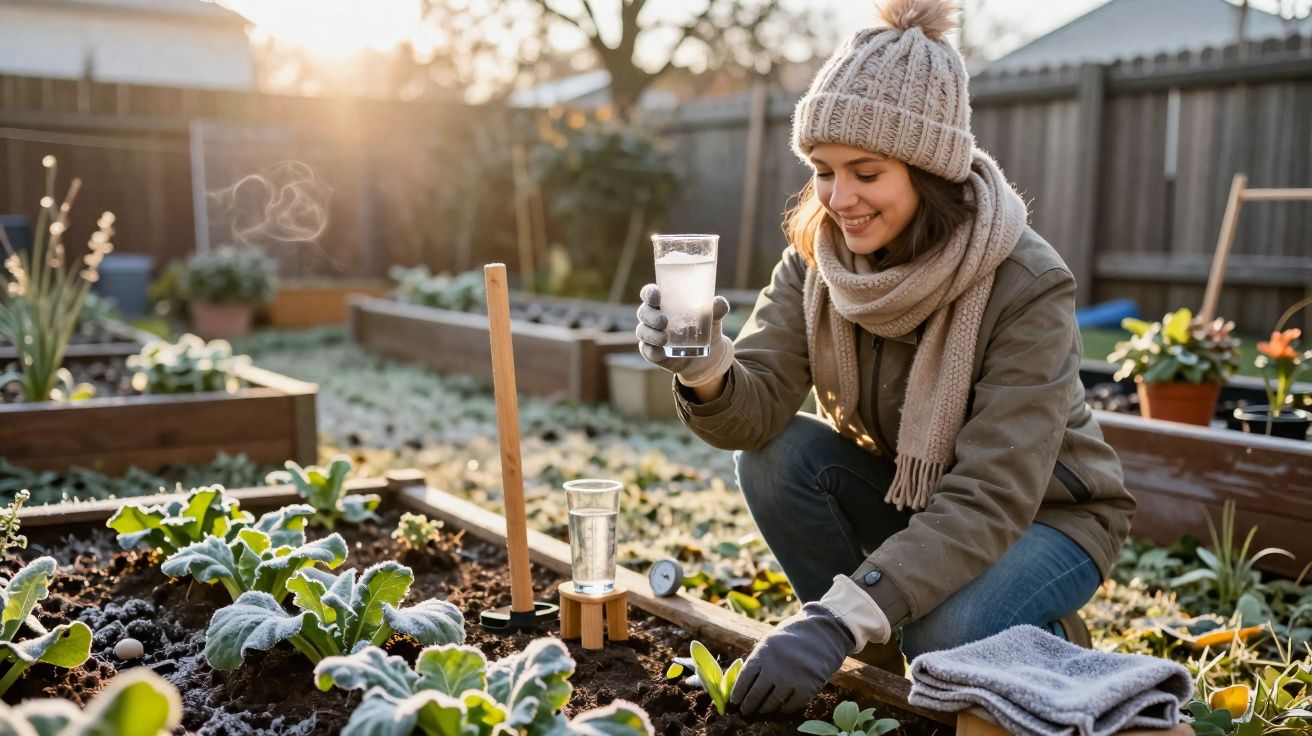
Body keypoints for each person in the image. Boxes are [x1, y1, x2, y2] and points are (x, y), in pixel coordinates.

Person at [634, 0, 1136, 718]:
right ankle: (869, 650)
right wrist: (707, 369)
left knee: (944, 634)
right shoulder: (819, 259)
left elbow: (993, 494)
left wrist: (831, 617)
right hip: (921, 500)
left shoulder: (1027, 283)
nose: (839, 199)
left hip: (1047, 518)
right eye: (824, 171)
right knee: (777, 457)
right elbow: (758, 410)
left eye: (865, 172)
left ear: (927, 171)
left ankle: (1043, 639)